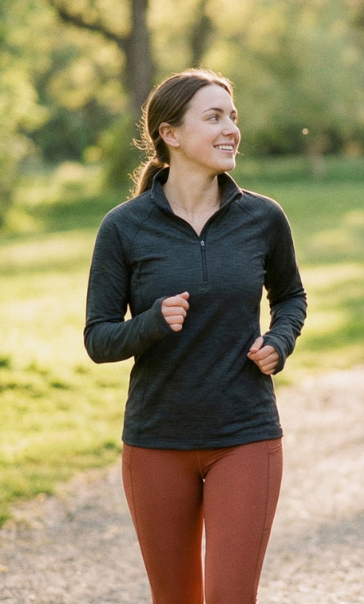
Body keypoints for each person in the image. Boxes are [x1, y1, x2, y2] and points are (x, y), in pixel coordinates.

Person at [84, 68, 307, 604]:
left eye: (232, 117)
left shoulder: (263, 218)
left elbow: (291, 297)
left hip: (246, 433)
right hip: (157, 438)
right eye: (214, 117)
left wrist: (279, 341)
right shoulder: (125, 227)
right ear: (171, 133)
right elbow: (98, 338)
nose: (231, 128)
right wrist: (152, 322)